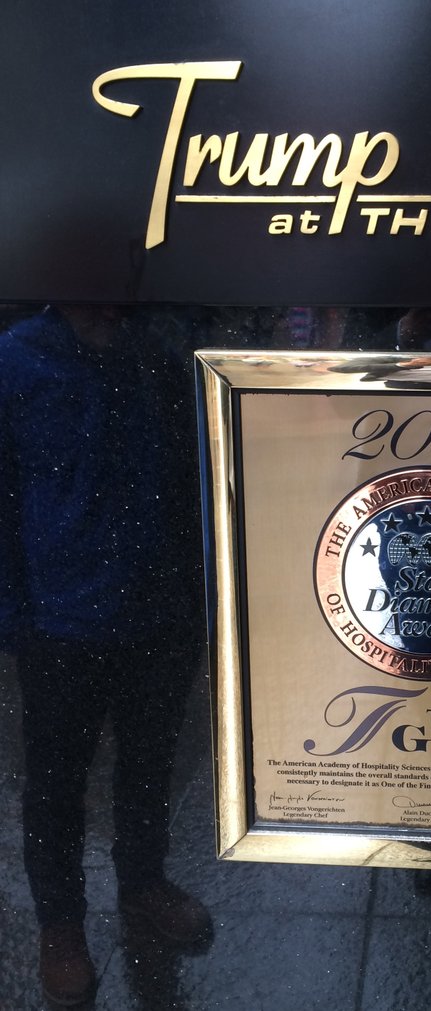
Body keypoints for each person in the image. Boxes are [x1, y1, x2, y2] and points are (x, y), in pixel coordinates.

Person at [0, 305, 211, 1006]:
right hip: (60, 618)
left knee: (150, 761)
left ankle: (142, 881)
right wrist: (14, 616)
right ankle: (61, 926)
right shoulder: (17, 359)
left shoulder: (159, 348)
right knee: (56, 783)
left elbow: (193, 478)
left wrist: (200, 598)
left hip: (158, 610)